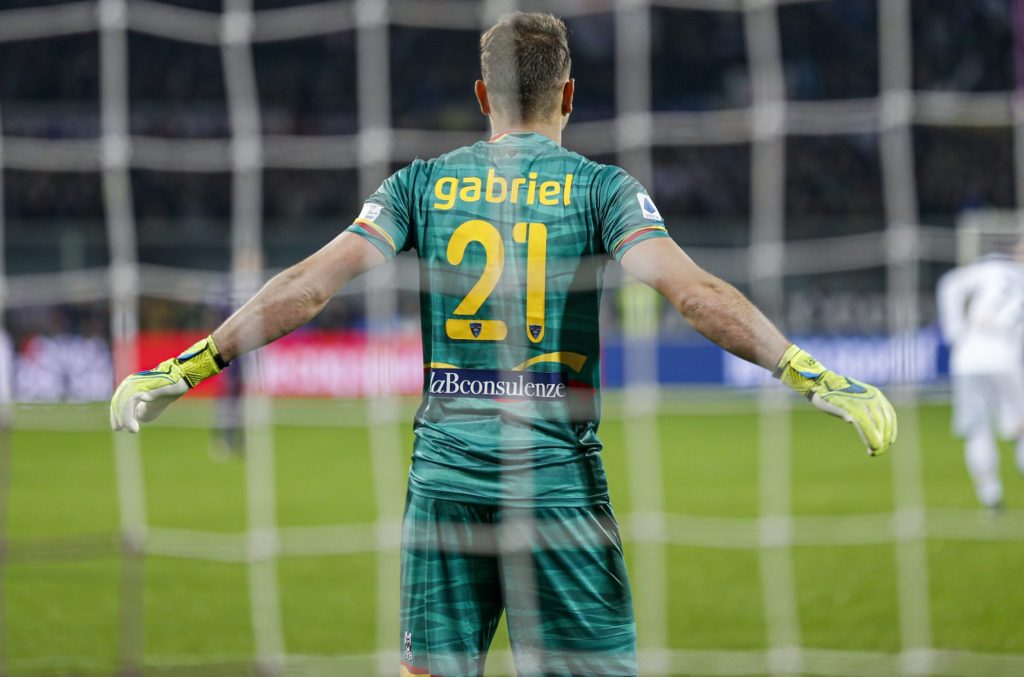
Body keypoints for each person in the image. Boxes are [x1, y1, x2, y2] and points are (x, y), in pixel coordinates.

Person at [111, 13, 897, 677]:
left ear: (482, 95)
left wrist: (193, 363)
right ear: (570, 96)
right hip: (554, 486)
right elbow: (692, 292)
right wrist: (806, 370)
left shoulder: (420, 184)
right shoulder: (602, 189)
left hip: (444, 483)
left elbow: (309, 287)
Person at [937, 244, 1024, 512]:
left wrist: (955, 332)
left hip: (967, 360)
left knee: (977, 429)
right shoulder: (1012, 274)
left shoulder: (985, 270)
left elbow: (949, 284)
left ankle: (990, 498)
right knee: (1020, 430)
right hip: (1006, 360)